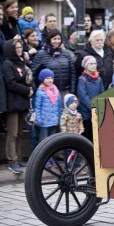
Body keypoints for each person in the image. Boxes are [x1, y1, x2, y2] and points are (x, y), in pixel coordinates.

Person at [3, 39, 34, 174]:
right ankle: (12, 160)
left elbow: (28, 79)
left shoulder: (21, 62)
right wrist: (27, 90)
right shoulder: (7, 64)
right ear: (11, 49)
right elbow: (11, 83)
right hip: (12, 103)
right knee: (13, 133)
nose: (19, 50)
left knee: (20, 133)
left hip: (22, 102)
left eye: (21, 47)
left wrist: (31, 88)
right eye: (16, 48)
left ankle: (19, 157)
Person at [31, 29, 76, 98]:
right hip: (47, 92)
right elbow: (33, 73)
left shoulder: (66, 53)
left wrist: (72, 91)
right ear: (49, 40)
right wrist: (36, 90)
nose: (57, 41)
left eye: (59, 39)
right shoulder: (41, 54)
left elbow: (73, 73)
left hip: (65, 91)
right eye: (54, 39)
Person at [77, 56, 104, 141]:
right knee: (86, 132)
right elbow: (83, 95)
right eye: (90, 64)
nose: (93, 65)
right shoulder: (82, 79)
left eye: (94, 63)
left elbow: (102, 93)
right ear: (85, 66)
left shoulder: (99, 79)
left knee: (95, 133)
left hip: (96, 110)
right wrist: (92, 107)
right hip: (86, 111)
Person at [34, 69, 62, 145]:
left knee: (52, 140)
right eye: (47, 78)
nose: (50, 80)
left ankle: (51, 155)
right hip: (44, 120)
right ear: (42, 79)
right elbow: (37, 106)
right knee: (44, 140)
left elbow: (59, 104)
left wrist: (59, 116)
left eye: (51, 78)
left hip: (54, 119)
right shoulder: (40, 91)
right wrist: (39, 118)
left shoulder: (56, 90)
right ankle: (44, 156)